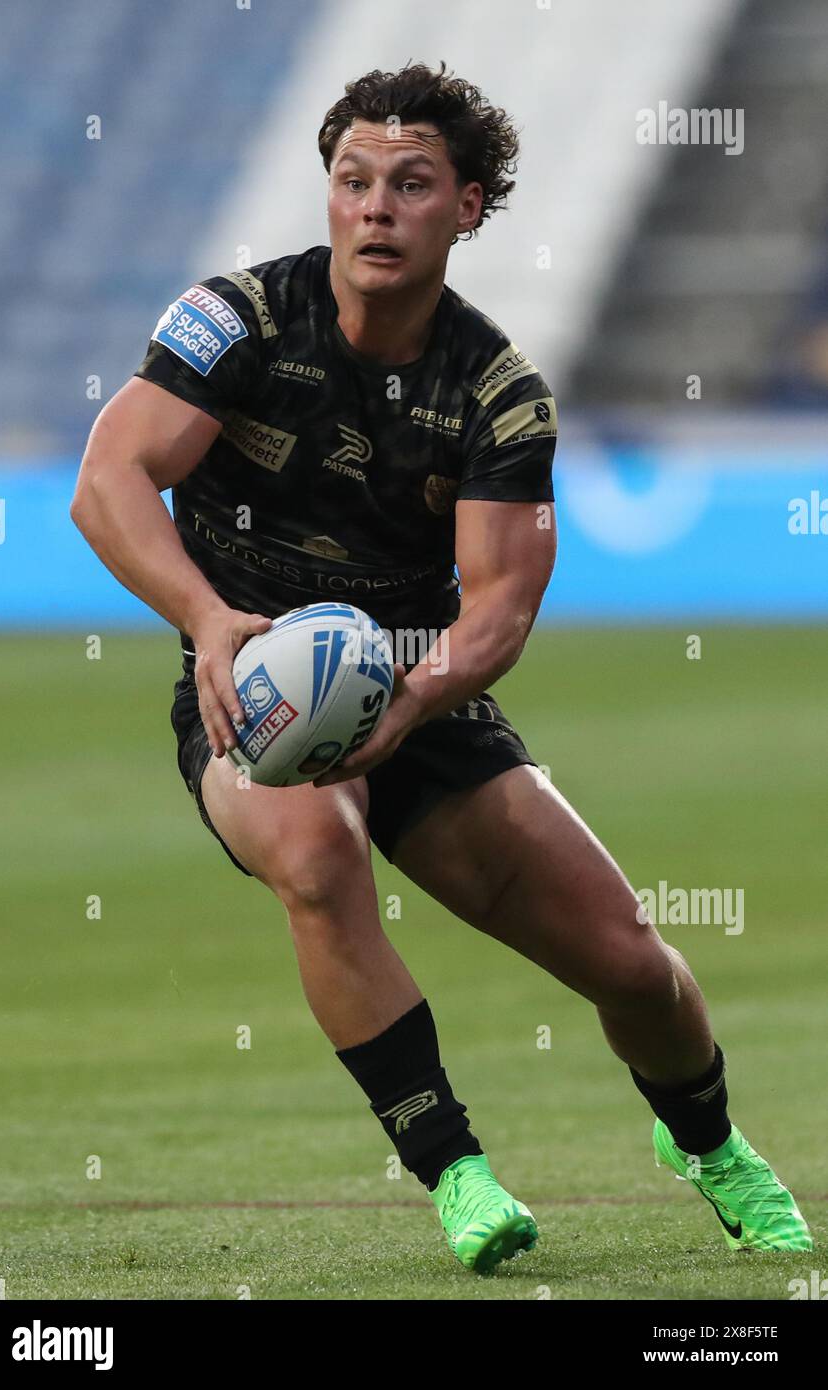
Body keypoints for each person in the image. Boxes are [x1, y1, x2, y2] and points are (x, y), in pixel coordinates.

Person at [71, 61, 811, 1274]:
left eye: (408, 184)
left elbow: (501, 604)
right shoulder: (238, 321)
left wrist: (413, 700)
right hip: (250, 684)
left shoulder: (499, 391)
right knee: (315, 856)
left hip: (427, 690)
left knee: (630, 963)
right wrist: (208, 622)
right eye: (352, 180)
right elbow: (109, 480)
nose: (372, 206)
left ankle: (710, 1142)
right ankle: (455, 1169)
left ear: (465, 207)